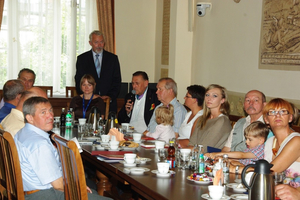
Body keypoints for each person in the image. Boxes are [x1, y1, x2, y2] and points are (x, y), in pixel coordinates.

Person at [14, 97, 111, 200]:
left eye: (50, 110)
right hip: (42, 194)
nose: (50, 115)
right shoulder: (39, 144)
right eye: (43, 112)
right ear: (30, 118)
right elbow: (58, 185)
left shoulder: (22, 132)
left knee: (93, 191)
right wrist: (79, 187)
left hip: (30, 190)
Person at [75, 30, 121, 112]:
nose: (99, 45)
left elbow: (117, 81)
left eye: (101, 42)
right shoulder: (82, 59)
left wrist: (109, 96)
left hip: (109, 104)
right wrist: (91, 96)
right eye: (96, 42)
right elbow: (79, 81)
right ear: (90, 43)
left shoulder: (112, 59)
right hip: (89, 104)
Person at [263, 98, 300, 188]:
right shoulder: (270, 141)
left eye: (283, 111)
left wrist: (237, 169)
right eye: (272, 112)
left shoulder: (296, 140)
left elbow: (271, 170)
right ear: (266, 119)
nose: (278, 115)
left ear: (290, 118)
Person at [185, 84, 232, 152]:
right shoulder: (202, 118)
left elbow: (205, 148)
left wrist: (183, 150)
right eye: (207, 95)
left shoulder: (222, 120)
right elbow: (192, 143)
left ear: (222, 100)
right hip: (196, 156)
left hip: (211, 159)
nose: (209, 98)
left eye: (214, 96)